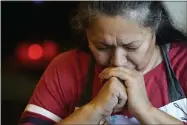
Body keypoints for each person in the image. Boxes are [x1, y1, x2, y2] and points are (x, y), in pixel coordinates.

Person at [19, 1, 187, 125]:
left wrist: (145, 111)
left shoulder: (183, 63)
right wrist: (95, 109)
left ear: (155, 29)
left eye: (131, 46)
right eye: (102, 47)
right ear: (87, 35)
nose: (117, 61)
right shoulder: (66, 67)